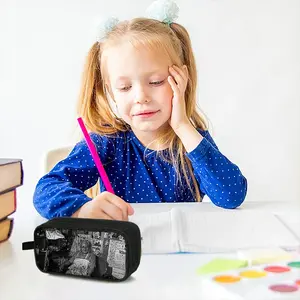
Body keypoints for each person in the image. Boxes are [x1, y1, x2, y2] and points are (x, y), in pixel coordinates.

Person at [33, 0, 247, 221]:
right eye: (125, 87)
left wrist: (183, 126)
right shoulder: (106, 142)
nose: (141, 97)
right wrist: (82, 208)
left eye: (155, 82)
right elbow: (45, 190)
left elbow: (231, 195)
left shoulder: (192, 141)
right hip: (127, 250)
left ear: (181, 80)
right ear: (111, 91)